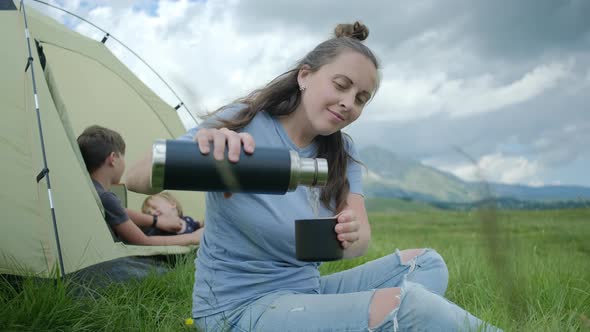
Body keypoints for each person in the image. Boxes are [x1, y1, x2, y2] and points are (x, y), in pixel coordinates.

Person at [127, 22, 501, 331]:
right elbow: (135, 178)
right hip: (238, 310)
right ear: (305, 76)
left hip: (306, 292)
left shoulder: (341, 156)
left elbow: (360, 242)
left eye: (361, 98)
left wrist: (351, 235)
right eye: (341, 86)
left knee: (427, 263)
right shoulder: (244, 124)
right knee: (410, 305)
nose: (348, 103)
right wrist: (201, 151)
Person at [77, 125, 200, 246]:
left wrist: (156, 221)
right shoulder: (105, 197)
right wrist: (194, 237)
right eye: (123, 157)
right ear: (113, 158)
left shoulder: (88, 191)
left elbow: (121, 211)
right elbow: (143, 242)